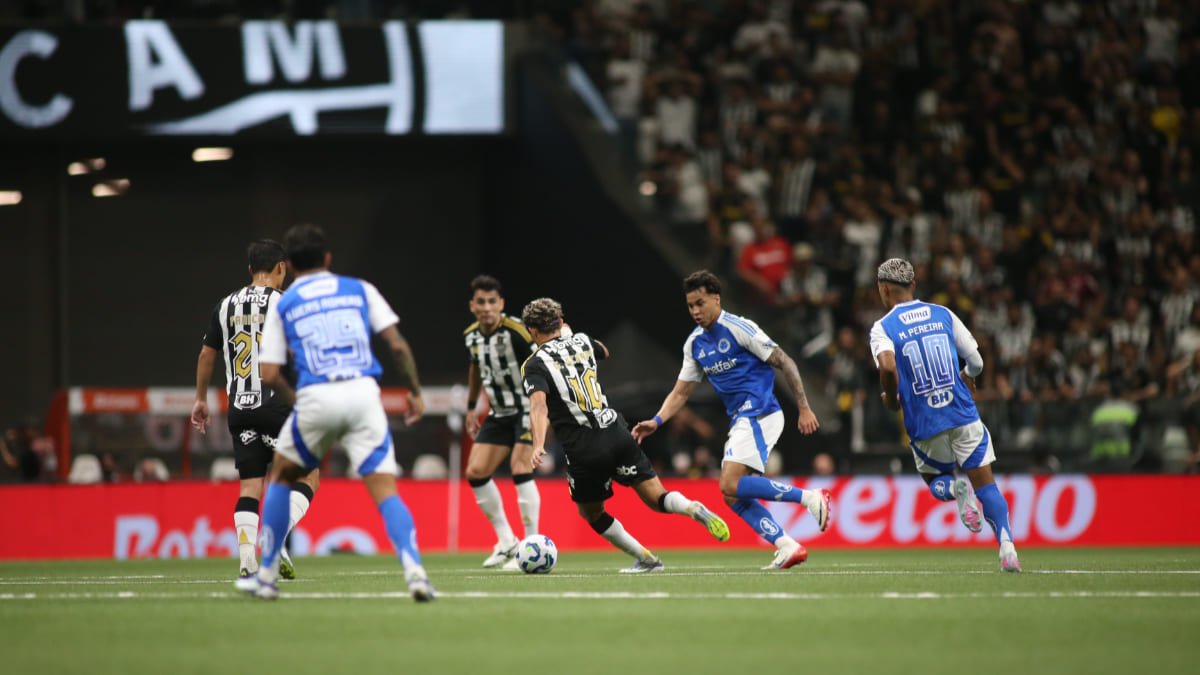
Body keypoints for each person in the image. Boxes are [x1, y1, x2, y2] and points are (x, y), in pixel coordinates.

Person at [236, 224, 434, 601]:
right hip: (363, 394)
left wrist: (298, 402)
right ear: (328, 258)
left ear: (290, 265)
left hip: (316, 396)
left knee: (280, 476)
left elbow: (269, 373)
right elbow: (396, 346)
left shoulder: (286, 302)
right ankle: (415, 572)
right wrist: (415, 393)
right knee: (385, 490)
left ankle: (264, 575)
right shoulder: (360, 289)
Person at [633, 270, 832, 570]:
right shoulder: (695, 344)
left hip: (761, 411)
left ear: (716, 298)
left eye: (700, 303)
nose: (696, 311)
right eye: (690, 306)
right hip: (741, 418)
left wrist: (804, 407)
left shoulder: (739, 328)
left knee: (730, 482)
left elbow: (784, 361)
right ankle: (787, 545)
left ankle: (809, 497)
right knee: (731, 494)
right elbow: (680, 392)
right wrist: (657, 421)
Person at [521, 298, 729, 573]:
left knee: (592, 513)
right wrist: (570, 337)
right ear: (560, 322)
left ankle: (647, 558)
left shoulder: (533, 365)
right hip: (616, 431)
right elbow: (604, 351)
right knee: (658, 498)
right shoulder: (582, 341)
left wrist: (537, 444)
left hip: (584, 447)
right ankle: (691, 507)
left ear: (532, 331)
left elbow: (538, 406)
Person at [869, 258, 1021, 572]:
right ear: (913, 285)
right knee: (987, 486)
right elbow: (976, 361)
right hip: (962, 412)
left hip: (925, 422)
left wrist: (891, 396)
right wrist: (967, 375)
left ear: (884, 289)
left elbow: (886, 366)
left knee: (936, 479)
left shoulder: (883, 327)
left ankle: (955, 490)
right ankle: (1007, 548)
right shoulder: (943, 313)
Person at [191, 239, 319, 582]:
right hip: (276, 404)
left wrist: (201, 399)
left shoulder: (226, 304)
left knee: (250, 486)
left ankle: (248, 560)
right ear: (281, 268)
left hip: (239, 408)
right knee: (308, 475)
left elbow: (207, 355)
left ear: (250, 270)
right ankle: (274, 536)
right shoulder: (286, 302)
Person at [462, 275, 541, 569]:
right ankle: (507, 540)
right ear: (472, 305)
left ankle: (531, 547)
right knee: (475, 471)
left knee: (520, 467)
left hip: (527, 408)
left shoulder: (517, 332)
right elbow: (474, 370)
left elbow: (541, 363)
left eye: (492, 301)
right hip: (499, 412)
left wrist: (544, 410)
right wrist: (472, 408)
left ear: (501, 304)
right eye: (480, 302)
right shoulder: (470, 336)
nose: (486, 307)